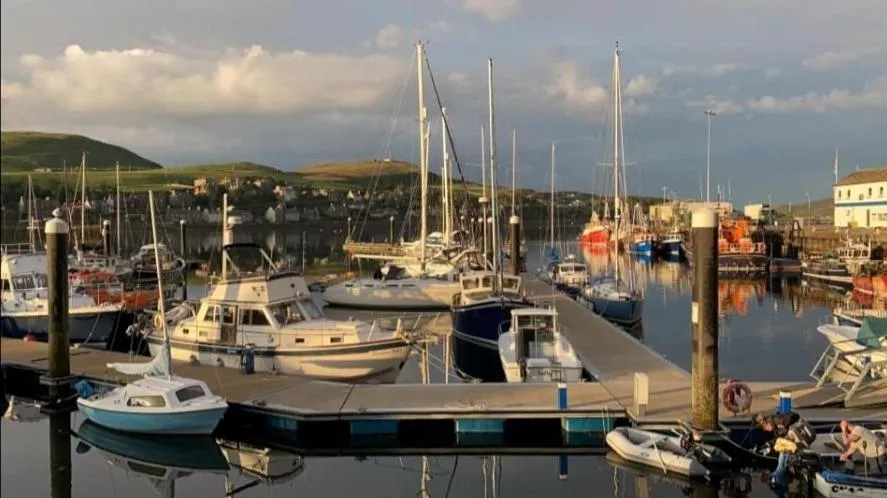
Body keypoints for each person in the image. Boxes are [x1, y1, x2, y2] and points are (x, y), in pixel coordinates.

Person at [755, 412, 816, 487]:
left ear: (767, 423)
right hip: (797, 442)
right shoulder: (776, 428)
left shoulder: (778, 420)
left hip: (803, 437)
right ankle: (778, 475)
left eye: (766, 428)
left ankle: (776, 477)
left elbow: (795, 415)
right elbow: (778, 437)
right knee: (779, 447)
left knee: (780, 445)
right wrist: (769, 445)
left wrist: (783, 424)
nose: (767, 430)